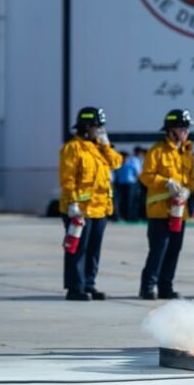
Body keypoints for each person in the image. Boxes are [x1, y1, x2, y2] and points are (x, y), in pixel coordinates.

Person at [59, 107, 123, 301]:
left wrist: (106, 144)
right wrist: (72, 203)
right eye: (97, 126)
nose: (100, 130)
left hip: (100, 208)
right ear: (86, 127)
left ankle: (89, 284)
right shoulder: (73, 148)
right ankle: (75, 288)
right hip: (79, 209)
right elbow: (67, 178)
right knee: (78, 249)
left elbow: (116, 163)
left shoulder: (99, 147)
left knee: (94, 249)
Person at [138, 109, 194, 300]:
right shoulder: (157, 150)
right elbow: (146, 176)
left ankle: (165, 287)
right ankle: (147, 287)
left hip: (179, 211)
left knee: (174, 250)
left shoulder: (187, 153)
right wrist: (165, 182)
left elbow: (191, 179)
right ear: (171, 130)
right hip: (159, 211)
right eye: (183, 128)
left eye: (187, 128)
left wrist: (188, 189)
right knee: (158, 250)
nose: (186, 132)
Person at [114, 149, 141, 221]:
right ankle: (121, 216)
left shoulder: (132, 162)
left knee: (130, 201)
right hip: (120, 184)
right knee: (121, 201)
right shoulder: (119, 163)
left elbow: (138, 173)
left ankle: (129, 216)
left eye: (124, 158)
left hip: (130, 184)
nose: (123, 160)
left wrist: (137, 183)